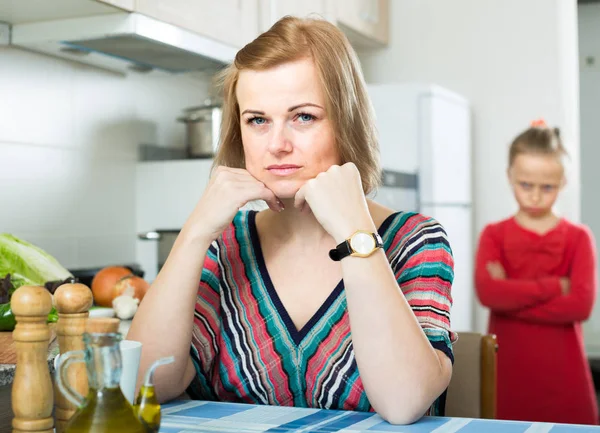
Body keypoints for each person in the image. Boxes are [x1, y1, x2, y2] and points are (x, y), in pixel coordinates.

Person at [128, 16, 456, 425]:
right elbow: (146, 383)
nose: (277, 145)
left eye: (303, 117)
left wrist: (356, 234)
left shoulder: (416, 241)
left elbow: (404, 401)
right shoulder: (226, 245)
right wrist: (195, 232)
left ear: (346, 122)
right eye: (258, 120)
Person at [475, 120, 598, 425]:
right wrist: (555, 287)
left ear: (563, 181)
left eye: (548, 187)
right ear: (510, 177)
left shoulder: (578, 237)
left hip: (565, 373)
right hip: (509, 371)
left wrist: (511, 295)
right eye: (525, 185)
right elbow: (489, 294)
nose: (535, 196)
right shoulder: (494, 235)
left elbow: (581, 306)